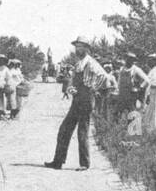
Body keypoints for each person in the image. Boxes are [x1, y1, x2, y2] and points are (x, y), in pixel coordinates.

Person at [45, 37, 108, 170]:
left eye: (80, 47)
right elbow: (75, 80)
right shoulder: (79, 62)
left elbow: (103, 76)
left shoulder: (90, 62)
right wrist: (73, 88)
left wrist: (92, 87)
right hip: (77, 99)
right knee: (64, 129)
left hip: (86, 100)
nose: (78, 49)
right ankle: (58, 161)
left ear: (86, 48)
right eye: (76, 46)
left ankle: (84, 164)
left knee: (82, 131)